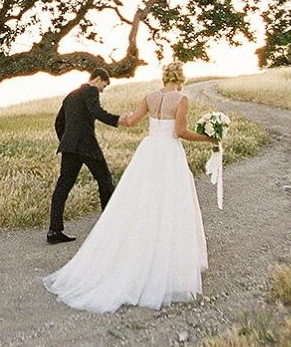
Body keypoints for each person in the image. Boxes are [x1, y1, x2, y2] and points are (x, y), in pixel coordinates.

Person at [43, 62, 217, 313]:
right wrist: (207, 138)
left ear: (164, 77)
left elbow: (133, 121)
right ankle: (166, 260)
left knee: (141, 201)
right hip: (168, 153)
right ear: (180, 79)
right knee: (170, 203)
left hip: (148, 152)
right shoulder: (182, 98)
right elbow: (179, 132)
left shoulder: (149, 96)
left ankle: (126, 243)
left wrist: (121, 119)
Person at [47, 68, 129, 245]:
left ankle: (54, 230)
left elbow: (58, 123)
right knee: (105, 181)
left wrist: (67, 140)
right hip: (87, 146)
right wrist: (117, 119)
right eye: (103, 86)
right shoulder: (90, 90)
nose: (102, 90)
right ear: (98, 79)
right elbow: (96, 111)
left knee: (63, 186)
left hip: (69, 147)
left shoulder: (71, 95)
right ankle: (109, 227)